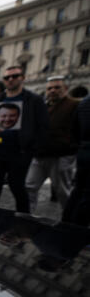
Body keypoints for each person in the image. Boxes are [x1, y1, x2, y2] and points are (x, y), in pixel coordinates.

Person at [0, 65, 49, 212]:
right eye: (7, 77)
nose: (10, 80)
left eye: (15, 76)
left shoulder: (34, 100)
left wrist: (32, 149)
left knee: (19, 189)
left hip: (20, 152)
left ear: (23, 78)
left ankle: (23, 224)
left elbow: (43, 127)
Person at [25, 76, 79, 213]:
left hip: (61, 156)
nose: (53, 90)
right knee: (29, 186)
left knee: (62, 191)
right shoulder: (44, 106)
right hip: (40, 155)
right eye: (49, 88)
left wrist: (71, 149)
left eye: (57, 87)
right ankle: (25, 219)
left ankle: (69, 222)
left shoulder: (74, 105)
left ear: (65, 89)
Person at [63, 94, 90, 226]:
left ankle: (66, 224)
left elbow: (74, 130)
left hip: (84, 150)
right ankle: (78, 229)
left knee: (78, 190)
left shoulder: (84, 102)